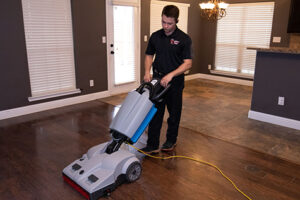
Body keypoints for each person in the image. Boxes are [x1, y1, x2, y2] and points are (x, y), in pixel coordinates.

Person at [142, 5, 192, 154]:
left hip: (174, 82)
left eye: (169, 23)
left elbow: (188, 63)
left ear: (176, 21)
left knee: (174, 113)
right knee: (155, 113)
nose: (165, 26)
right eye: (163, 22)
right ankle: (152, 145)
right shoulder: (156, 36)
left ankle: (170, 141)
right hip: (157, 79)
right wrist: (147, 71)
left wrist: (171, 75)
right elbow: (149, 55)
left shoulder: (184, 39)